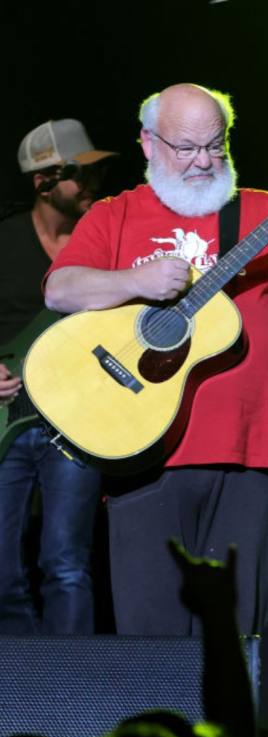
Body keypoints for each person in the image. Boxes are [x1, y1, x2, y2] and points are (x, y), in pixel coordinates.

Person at [43, 83, 268, 636]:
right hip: (143, 449)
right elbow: (60, 290)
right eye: (186, 147)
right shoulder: (116, 214)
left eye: (217, 145)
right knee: (150, 640)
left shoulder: (265, 213)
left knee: (232, 639)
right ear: (148, 143)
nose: (204, 161)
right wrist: (136, 280)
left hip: (248, 452)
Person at [0, 119, 114, 633]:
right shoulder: (4, 239)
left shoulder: (106, 238)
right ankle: (23, 688)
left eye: (97, 172)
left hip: (76, 418)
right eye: (79, 174)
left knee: (66, 567)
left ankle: (72, 692)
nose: (92, 184)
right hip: (8, 419)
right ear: (43, 181)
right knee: (2, 573)